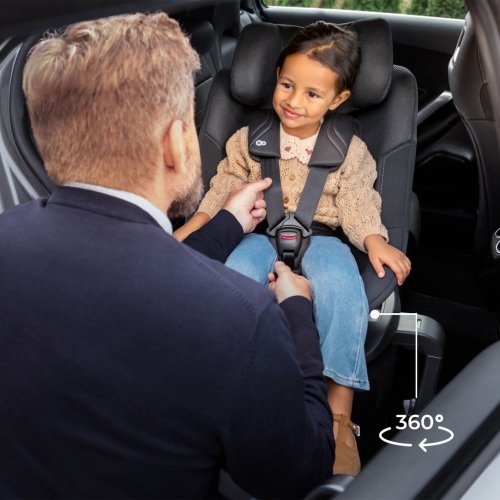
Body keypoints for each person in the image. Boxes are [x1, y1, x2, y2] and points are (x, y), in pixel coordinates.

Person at [0, 13, 335, 499]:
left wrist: (226, 223)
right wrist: (299, 315)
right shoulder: (240, 318)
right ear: (177, 143)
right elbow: (301, 473)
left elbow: (127, 273)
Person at [175, 21, 412, 476]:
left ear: (338, 100)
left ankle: (339, 415)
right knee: (234, 282)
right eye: (287, 85)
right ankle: (228, 391)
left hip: (323, 237)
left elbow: (358, 199)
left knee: (342, 285)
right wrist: (195, 229)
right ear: (276, 76)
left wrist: (374, 240)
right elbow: (223, 190)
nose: (294, 101)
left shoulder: (349, 149)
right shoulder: (248, 140)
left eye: (312, 94)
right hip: (255, 233)